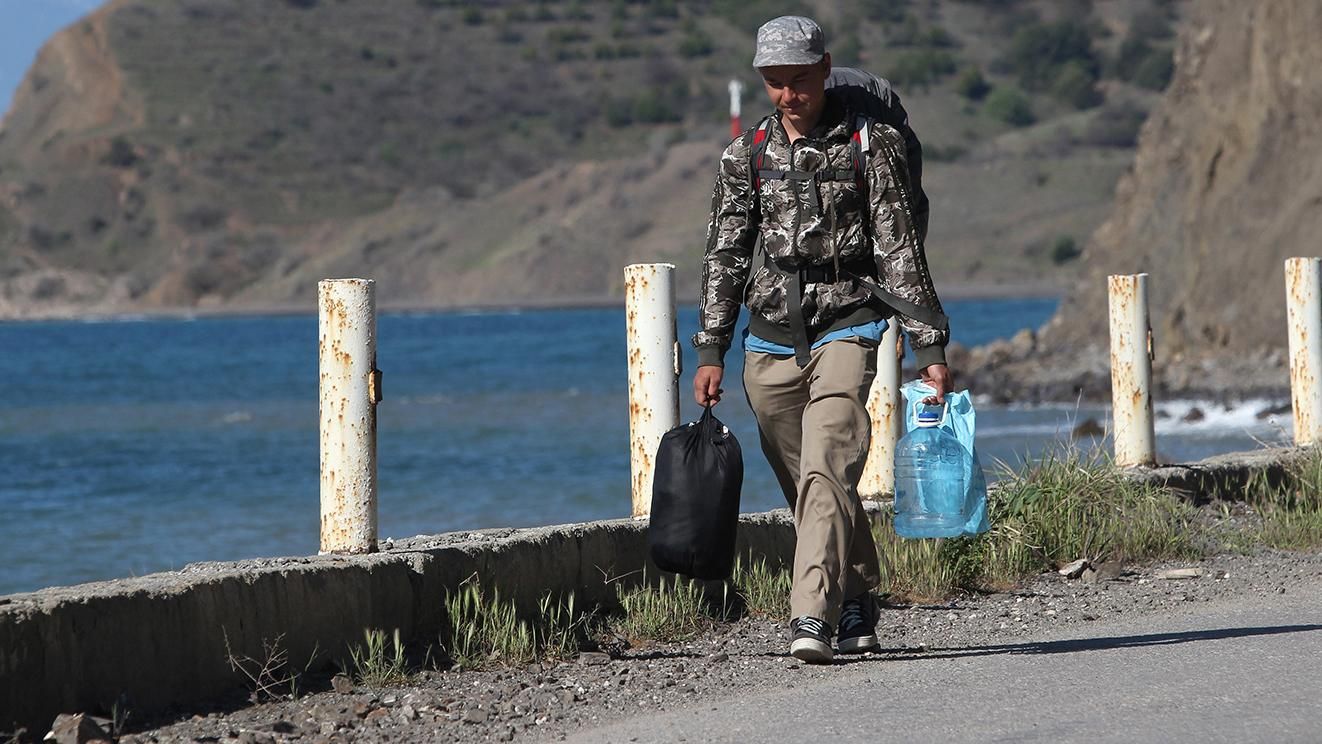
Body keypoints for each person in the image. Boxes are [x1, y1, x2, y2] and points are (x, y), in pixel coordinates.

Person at [691, 15, 953, 664]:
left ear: (826, 68)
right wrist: (711, 347)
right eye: (775, 82)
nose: (789, 94)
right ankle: (857, 594)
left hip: (850, 322)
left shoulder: (871, 144)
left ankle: (812, 614)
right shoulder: (745, 156)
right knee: (812, 484)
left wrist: (928, 345)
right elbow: (726, 254)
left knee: (827, 461)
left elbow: (899, 248)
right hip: (769, 339)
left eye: (800, 79)